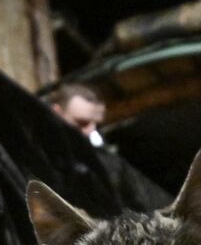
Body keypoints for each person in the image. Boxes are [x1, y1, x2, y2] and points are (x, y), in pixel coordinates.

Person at [49, 82, 170, 211]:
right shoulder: (36, 153)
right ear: (56, 112)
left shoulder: (108, 162)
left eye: (96, 125)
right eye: (82, 123)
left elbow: (149, 199)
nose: (90, 131)